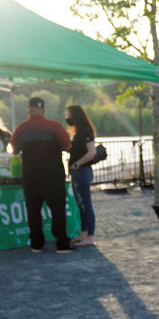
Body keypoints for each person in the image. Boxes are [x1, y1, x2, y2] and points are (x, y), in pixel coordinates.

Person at [10, 97, 73, 253]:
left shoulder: (21, 129)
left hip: (30, 176)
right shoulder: (55, 126)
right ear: (43, 110)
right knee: (58, 209)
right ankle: (62, 243)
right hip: (53, 175)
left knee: (33, 210)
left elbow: (14, 150)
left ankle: (36, 244)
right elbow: (67, 146)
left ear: (29, 110)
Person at [65, 105, 97, 247]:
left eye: (69, 115)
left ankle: (90, 236)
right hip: (78, 172)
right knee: (81, 204)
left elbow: (92, 152)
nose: (67, 119)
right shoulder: (80, 132)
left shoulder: (84, 131)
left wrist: (77, 164)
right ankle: (84, 233)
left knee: (86, 204)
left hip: (82, 172)